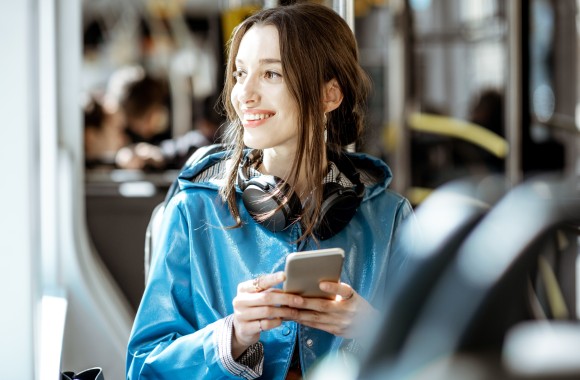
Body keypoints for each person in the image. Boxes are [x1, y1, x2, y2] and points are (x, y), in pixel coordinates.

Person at [126, 3, 415, 379]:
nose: (243, 94)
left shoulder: (388, 218)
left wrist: (372, 329)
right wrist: (231, 337)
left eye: (271, 74)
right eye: (240, 73)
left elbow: (439, 358)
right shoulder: (194, 209)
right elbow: (142, 367)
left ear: (330, 95)